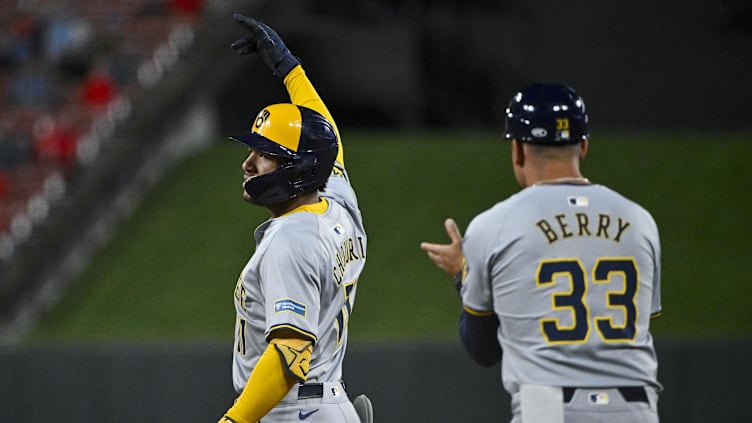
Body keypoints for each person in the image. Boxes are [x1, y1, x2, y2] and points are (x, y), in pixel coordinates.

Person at [420, 83, 662, 423]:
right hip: (636, 408)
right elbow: (640, 323)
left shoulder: (494, 225)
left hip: (549, 409)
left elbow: (483, 348)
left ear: (518, 149)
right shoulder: (640, 221)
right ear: (584, 145)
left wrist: (464, 273)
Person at [216, 14, 372, 423]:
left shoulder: (293, 239)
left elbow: (290, 351)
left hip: (293, 409)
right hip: (323, 399)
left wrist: (236, 420)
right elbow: (328, 139)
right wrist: (289, 68)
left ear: (298, 169)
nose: (248, 164)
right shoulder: (337, 205)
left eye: (264, 154)